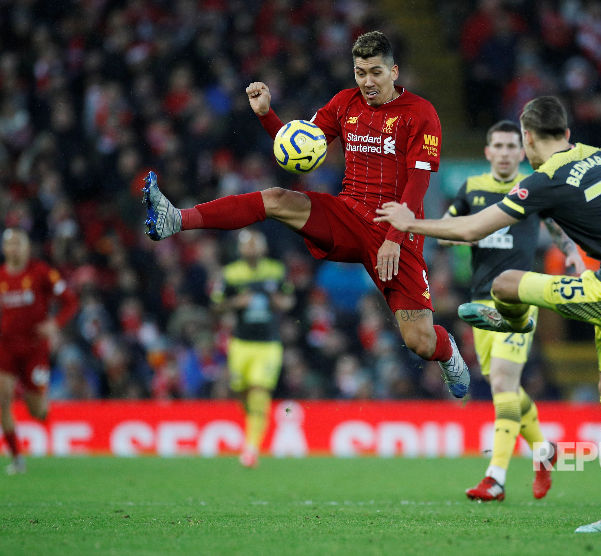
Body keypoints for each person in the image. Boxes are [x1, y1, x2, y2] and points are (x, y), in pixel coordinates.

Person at [377, 96, 601, 533]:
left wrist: (408, 224)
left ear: (527, 140)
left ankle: (517, 321)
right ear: (566, 132)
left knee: (507, 284)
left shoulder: (545, 181)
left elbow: (469, 229)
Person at [143, 30, 470, 398]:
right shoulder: (345, 103)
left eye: (376, 72)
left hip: (398, 230)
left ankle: (449, 354)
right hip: (347, 213)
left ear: (394, 72)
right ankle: (177, 219)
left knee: (420, 342)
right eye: (360, 72)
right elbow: (299, 147)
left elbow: (418, 183)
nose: (367, 81)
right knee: (277, 197)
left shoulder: (421, 114)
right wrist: (268, 117)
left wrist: (395, 238)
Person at [442, 120, 585, 502]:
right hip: (480, 303)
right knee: (506, 388)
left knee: (503, 385)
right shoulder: (472, 189)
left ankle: (496, 477)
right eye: (498, 146)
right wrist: (428, 230)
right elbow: (446, 226)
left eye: (511, 146)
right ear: (488, 152)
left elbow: (557, 227)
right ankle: (544, 449)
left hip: (519, 300)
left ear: (521, 153)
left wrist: (571, 253)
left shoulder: (533, 188)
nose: (505, 152)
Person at [212, 230, 294, 468]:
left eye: (256, 243)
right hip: (240, 343)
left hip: (268, 343)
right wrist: (236, 303)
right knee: (241, 390)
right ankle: (254, 427)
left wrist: (276, 300)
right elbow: (216, 306)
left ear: (264, 247)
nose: (251, 248)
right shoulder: (230, 273)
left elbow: (289, 301)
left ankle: (251, 448)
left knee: (260, 389)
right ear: (240, 249)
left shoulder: (276, 270)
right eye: (247, 244)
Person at [0, 228, 78, 474]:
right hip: (6, 347)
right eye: (10, 244)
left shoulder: (41, 272)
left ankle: (45, 407)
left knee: (37, 411)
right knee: (3, 402)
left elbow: (70, 300)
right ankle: (17, 459)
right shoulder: (1, 276)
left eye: (18, 243)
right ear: (4, 249)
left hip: (34, 349)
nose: (14, 248)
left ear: (27, 247)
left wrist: (55, 324)